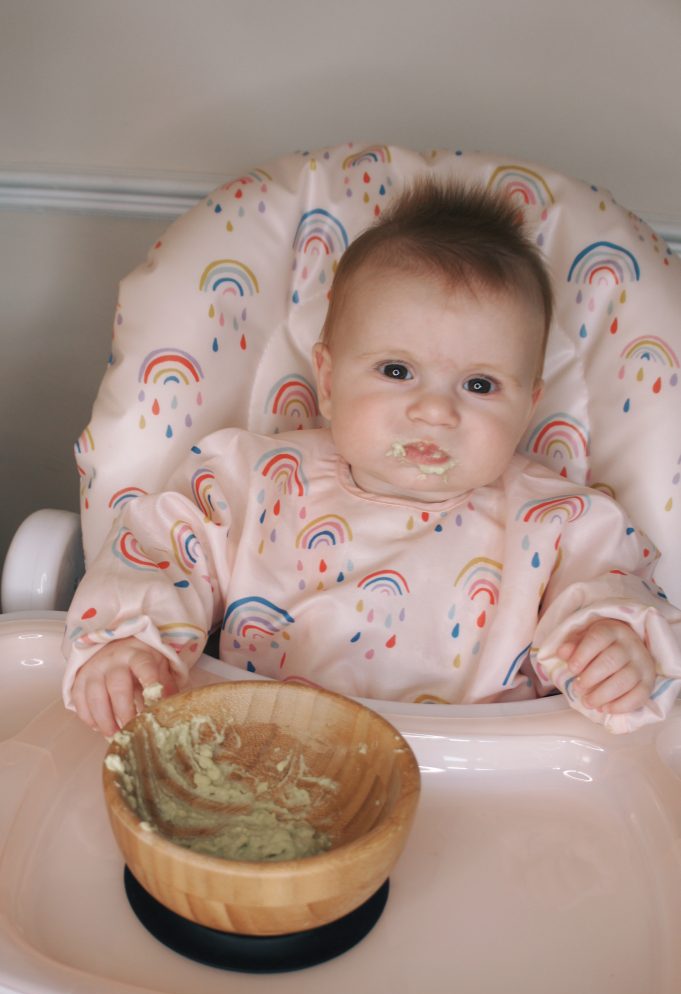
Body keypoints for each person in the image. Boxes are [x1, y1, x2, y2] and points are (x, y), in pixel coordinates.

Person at [62, 180, 681, 736]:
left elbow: (612, 591)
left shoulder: (563, 522)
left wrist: (616, 646)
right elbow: (161, 547)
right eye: (395, 370)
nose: (435, 411)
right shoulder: (249, 481)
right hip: (255, 752)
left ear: (528, 407)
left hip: (477, 790)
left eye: (481, 385)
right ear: (326, 382)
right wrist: (128, 644)